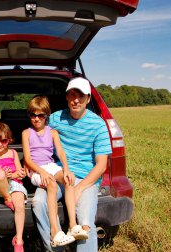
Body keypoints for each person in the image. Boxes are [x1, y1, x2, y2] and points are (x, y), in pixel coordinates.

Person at [32, 77, 112, 252]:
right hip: (58, 174)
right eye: (72, 95)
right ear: (67, 97)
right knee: (38, 203)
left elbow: (101, 165)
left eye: (81, 96)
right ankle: (56, 246)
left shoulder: (98, 125)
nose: (76, 100)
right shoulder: (54, 119)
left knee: (85, 224)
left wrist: (79, 188)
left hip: (86, 179)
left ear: (88, 99)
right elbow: (35, 136)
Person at [22, 96, 88, 248]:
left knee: (68, 180)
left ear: (46, 116)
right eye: (33, 115)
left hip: (50, 165)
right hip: (35, 169)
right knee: (51, 184)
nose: (36, 119)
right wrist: (42, 173)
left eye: (40, 115)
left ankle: (73, 226)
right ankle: (55, 232)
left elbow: (61, 152)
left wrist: (66, 169)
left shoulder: (52, 132)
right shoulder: (26, 133)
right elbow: (27, 159)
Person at [0, 122, 27, 252]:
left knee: (20, 205)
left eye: (3, 141)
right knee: (0, 173)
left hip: (14, 184)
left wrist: (16, 174)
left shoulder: (13, 153)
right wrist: (2, 176)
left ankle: (19, 240)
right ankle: (7, 198)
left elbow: (20, 174)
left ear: (9, 140)